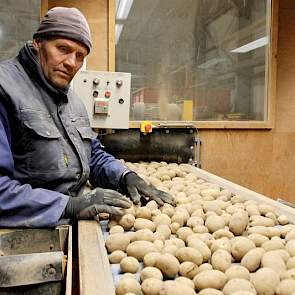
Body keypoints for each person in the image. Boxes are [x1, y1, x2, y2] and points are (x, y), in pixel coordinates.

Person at [0, 7, 173, 228]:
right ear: (38, 43)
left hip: (69, 226)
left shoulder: (72, 99)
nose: (72, 63)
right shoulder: (5, 89)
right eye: (63, 49)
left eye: (80, 56)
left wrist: (124, 176)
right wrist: (68, 206)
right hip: (23, 236)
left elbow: (91, 154)